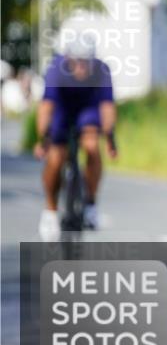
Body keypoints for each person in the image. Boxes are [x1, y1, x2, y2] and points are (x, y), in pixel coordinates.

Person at [34, 32, 117, 241]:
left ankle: (90, 204)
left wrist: (110, 139)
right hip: (62, 110)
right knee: (55, 159)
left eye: (86, 62)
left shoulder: (101, 70)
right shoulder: (56, 69)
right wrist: (42, 140)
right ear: (68, 59)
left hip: (87, 110)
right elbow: (46, 107)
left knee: (92, 146)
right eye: (77, 62)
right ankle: (50, 211)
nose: (81, 67)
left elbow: (107, 108)